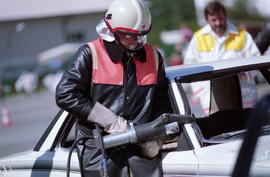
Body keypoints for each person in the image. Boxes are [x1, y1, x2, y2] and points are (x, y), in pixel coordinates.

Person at [55, 0, 172, 177]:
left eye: (141, 35)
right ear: (113, 31)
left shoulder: (154, 57)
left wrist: (156, 136)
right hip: (100, 150)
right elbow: (65, 94)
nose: (137, 40)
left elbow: (162, 102)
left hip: (142, 149)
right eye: (130, 35)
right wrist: (112, 122)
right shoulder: (90, 53)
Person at [184, 1, 260, 116]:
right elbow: (189, 66)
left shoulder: (242, 36)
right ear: (206, 20)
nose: (218, 23)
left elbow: (257, 61)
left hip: (243, 94)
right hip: (212, 99)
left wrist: (246, 72)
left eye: (220, 18)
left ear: (225, 16)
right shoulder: (198, 38)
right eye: (213, 20)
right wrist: (200, 91)